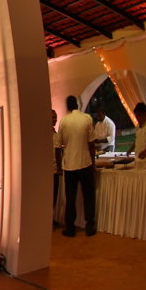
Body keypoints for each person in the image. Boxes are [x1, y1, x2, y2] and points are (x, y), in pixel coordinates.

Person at [58, 96, 96, 237]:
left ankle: (70, 228)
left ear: (68, 106)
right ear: (78, 105)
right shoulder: (87, 118)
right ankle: (89, 226)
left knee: (70, 198)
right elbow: (91, 143)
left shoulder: (64, 121)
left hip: (69, 165)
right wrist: (93, 163)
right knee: (89, 196)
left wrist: (59, 166)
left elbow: (59, 144)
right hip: (85, 163)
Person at [52, 109, 63, 226]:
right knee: (52, 197)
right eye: (52, 118)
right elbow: (57, 152)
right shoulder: (55, 136)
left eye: (55, 117)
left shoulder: (55, 134)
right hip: (53, 169)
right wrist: (59, 168)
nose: (55, 120)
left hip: (50, 169)